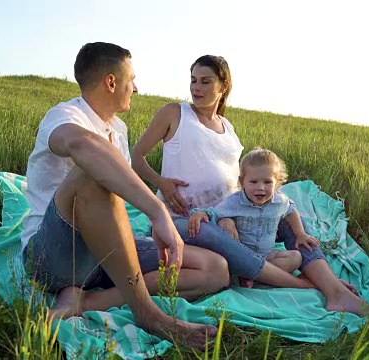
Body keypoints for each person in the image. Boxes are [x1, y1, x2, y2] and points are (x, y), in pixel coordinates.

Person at [21, 42, 228, 349]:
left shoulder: (118, 129)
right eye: (132, 79)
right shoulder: (64, 115)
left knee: (215, 269)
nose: (137, 88)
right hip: (56, 255)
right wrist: (158, 211)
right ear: (111, 82)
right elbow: (82, 146)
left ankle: (89, 301)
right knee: (93, 172)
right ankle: (150, 315)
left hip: (105, 257)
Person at [132, 55, 369, 316]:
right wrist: (162, 184)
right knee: (207, 230)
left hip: (230, 216)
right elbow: (136, 157)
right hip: (184, 220)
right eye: (193, 81)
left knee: (290, 221)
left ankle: (330, 283)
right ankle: (312, 286)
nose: (196, 88)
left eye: (205, 81)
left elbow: (237, 184)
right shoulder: (175, 113)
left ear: (223, 86)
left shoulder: (228, 129)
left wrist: (231, 218)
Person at [188, 148, 319, 288]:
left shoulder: (279, 202)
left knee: (296, 257)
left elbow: (291, 211)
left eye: (268, 182)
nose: (261, 188)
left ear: (277, 183)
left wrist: (300, 234)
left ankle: (257, 277)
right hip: (241, 257)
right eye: (254, 182)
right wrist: (199, 213)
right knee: (225, 223)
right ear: (242, 182)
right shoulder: (234, 202)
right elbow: (214, 213)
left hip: (266, 258)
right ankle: (244, 273)